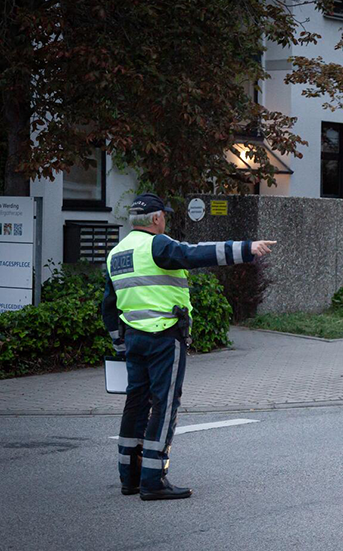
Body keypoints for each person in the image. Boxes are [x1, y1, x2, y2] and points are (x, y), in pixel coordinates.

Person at [101, 193, 275, 501]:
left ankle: (130, 476)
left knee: (136, 404)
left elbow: (109, 307)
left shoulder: (117, 253)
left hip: (134, 340)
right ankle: (153, 479)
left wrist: (120, 345)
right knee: (164, 406)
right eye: (164, 216)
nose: (165, 220)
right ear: (156, 218)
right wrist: (247, 249)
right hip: (165, 336)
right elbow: (195, 254)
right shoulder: (158, 244)